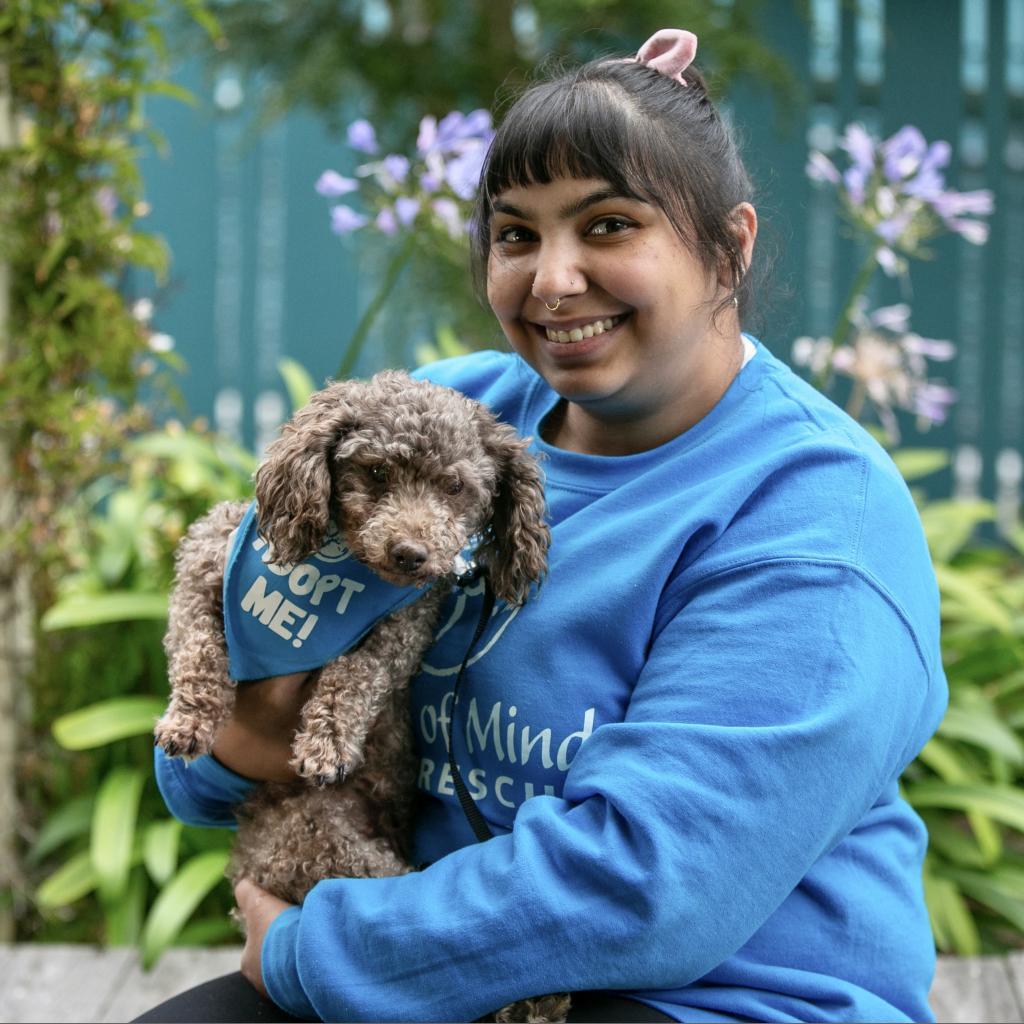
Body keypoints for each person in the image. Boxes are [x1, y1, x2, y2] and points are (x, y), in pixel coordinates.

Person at [140, 28, 947, 1024]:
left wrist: (319, 950)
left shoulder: (816, 522)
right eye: (516, 233)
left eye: (607, 226)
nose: (551, 279)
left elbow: (649, 889)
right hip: (441, 964)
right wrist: (231, 738)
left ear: (729, 247)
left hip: (713, 997)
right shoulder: (453, 423)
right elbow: (205, 752)